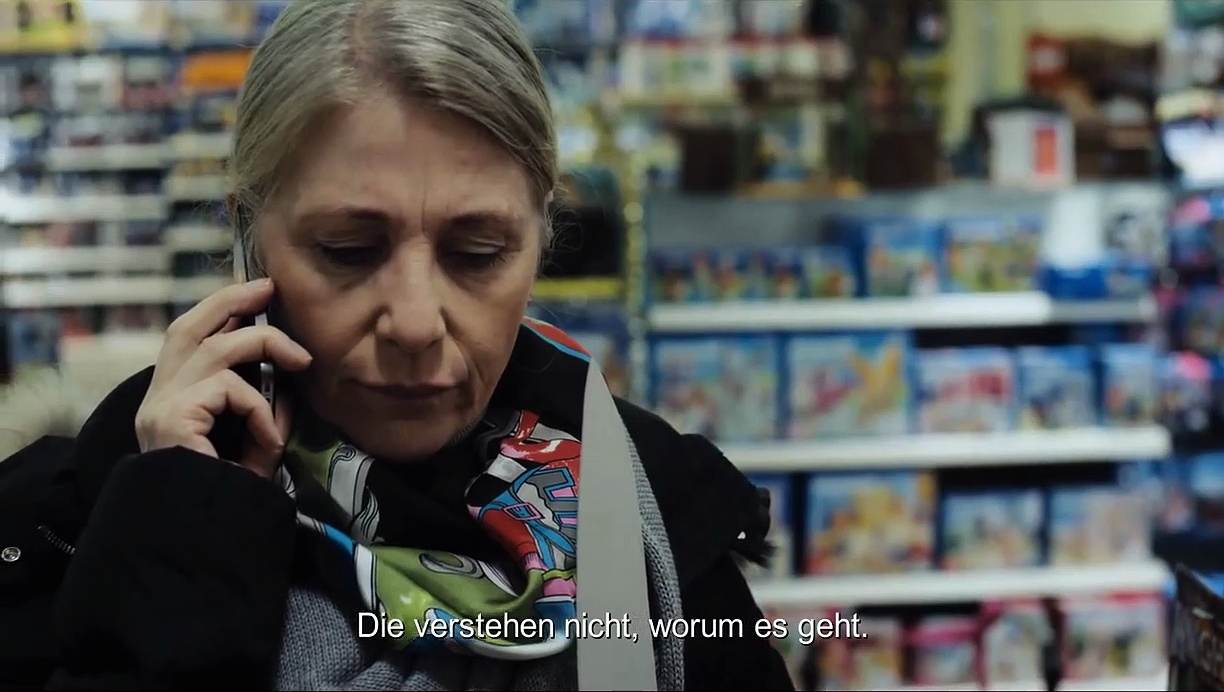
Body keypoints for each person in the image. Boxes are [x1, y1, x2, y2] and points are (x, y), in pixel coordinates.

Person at [0, 0, 794, 689]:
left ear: (541, 238)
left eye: (477, 254)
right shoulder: (66, 529)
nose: (415, 324)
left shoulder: (657, 524)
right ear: (249, 237)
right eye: (348, 251)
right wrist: (176, 541)